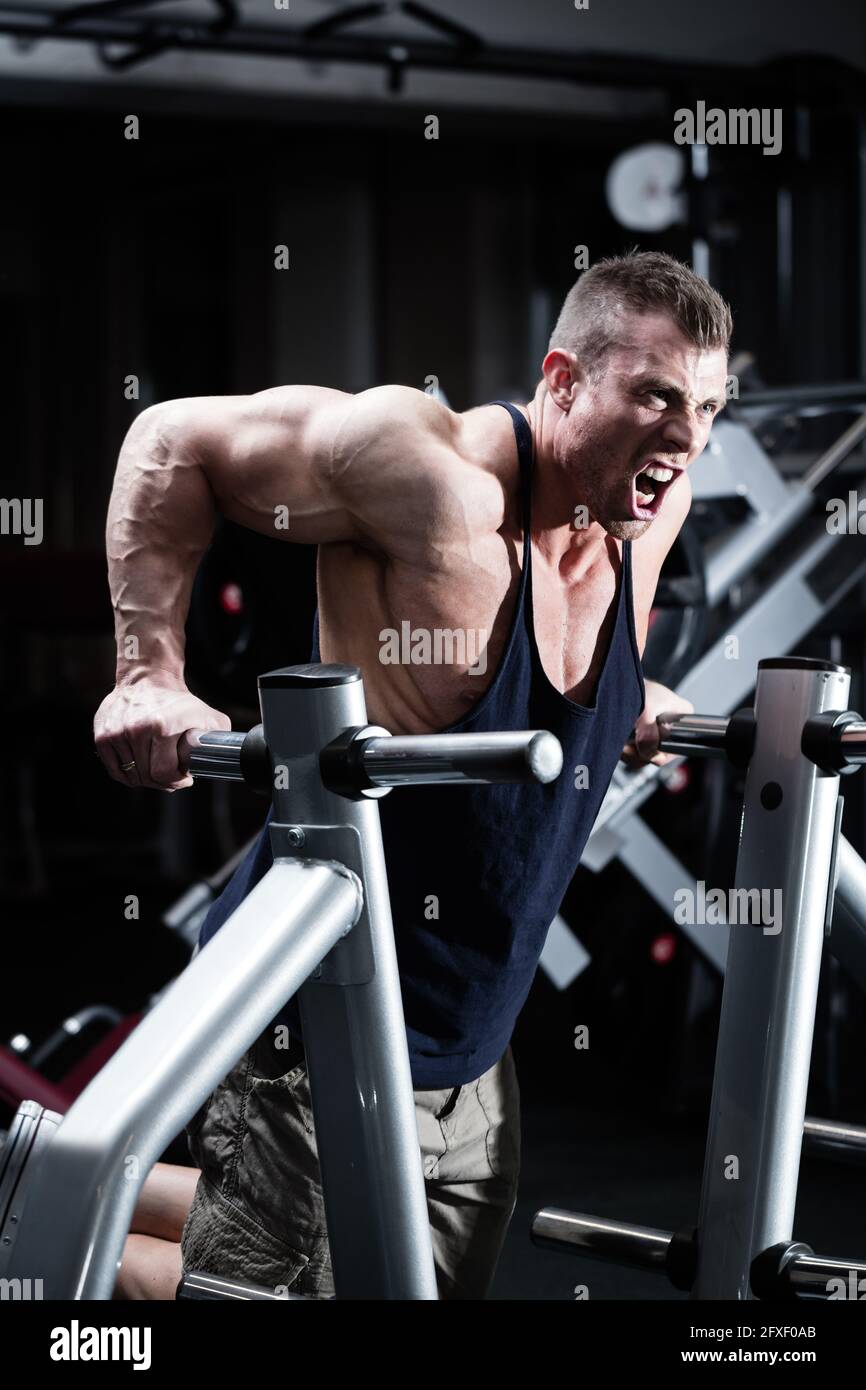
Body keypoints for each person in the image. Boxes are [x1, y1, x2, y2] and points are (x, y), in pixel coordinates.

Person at [95, 249, 731, 1299]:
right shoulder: (424, 473)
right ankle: (47, 1252)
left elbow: (553, 661)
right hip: (314, 1015)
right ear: (562, 379)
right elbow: (173, 438)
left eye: (707, 403)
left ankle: (49, 1174)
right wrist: (147, 676)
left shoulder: (645, 502)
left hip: (472, 1042)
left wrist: (627, 692)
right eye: (656, 395)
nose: (686, 434)